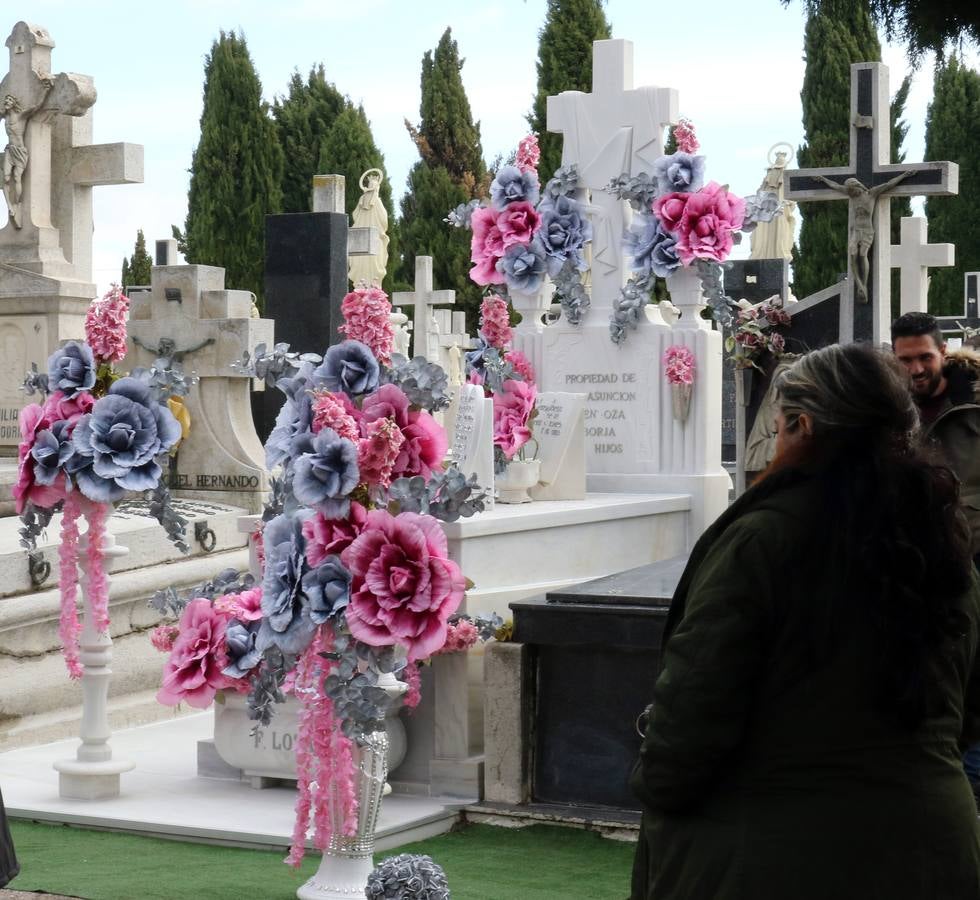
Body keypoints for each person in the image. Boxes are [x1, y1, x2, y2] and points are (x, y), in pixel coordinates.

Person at [630, 343, 980, 900]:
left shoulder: (762, 541)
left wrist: (658, 793)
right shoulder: (941, 538)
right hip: (932, 840)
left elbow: (694, 708)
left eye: (779, 427)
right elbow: (966, 705)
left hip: (779, 851)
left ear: (803, 425)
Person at [892, 310, 980, 801]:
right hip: (911, 566)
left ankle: (969, 790)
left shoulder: (974, 405)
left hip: (972, 561)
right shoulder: (888, 412)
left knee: (971, 676)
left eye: (924, 357)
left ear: (943, 352)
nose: (915, 370)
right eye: (904, 360)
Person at [811, 171, 916, 303]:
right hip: (856, 230)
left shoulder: (872, 193)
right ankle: (859, 284)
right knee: (852, 255)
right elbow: (835, 186)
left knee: (862, 255)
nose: (851, 193)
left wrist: (904, 175)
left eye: (852, 190)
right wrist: (823, 179)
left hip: (867, 230)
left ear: (857, 186)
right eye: (849, 191)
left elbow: (889, 184)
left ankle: (864, 284)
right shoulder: (851, 195)